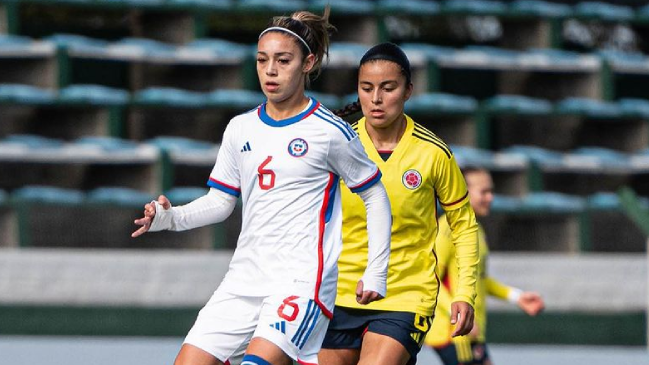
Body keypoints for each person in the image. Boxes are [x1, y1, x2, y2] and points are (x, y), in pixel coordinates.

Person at [131, 9, 393, 365]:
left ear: (307, 62)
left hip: (300, 285)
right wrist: (169, 217)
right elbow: (221, 202)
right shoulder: (240, 128)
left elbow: (375, 195)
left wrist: (376, 270)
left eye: (283, 60)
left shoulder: (329, 131)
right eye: (262, 60)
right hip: (243, 281)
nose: (270, 70)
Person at [318, 42, 480, 365]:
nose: (376, 99)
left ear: (408, 91)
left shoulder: (433, 153)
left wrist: (465, 293)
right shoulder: (338, 146)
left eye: (388, 88)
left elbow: (464, 226)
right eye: (367, 88)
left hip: (405, 295)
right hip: (339, 291)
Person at [425, 167, 545, 365]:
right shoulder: (447, 228)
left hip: (469, 330)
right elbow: (431, 279)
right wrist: (459, 316)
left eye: (491, 191)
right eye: (484, 191)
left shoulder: (476, 229)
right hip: (453, 332)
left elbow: (478, 278)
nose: (490, 197)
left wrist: (517, 297)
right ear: (462, 192)